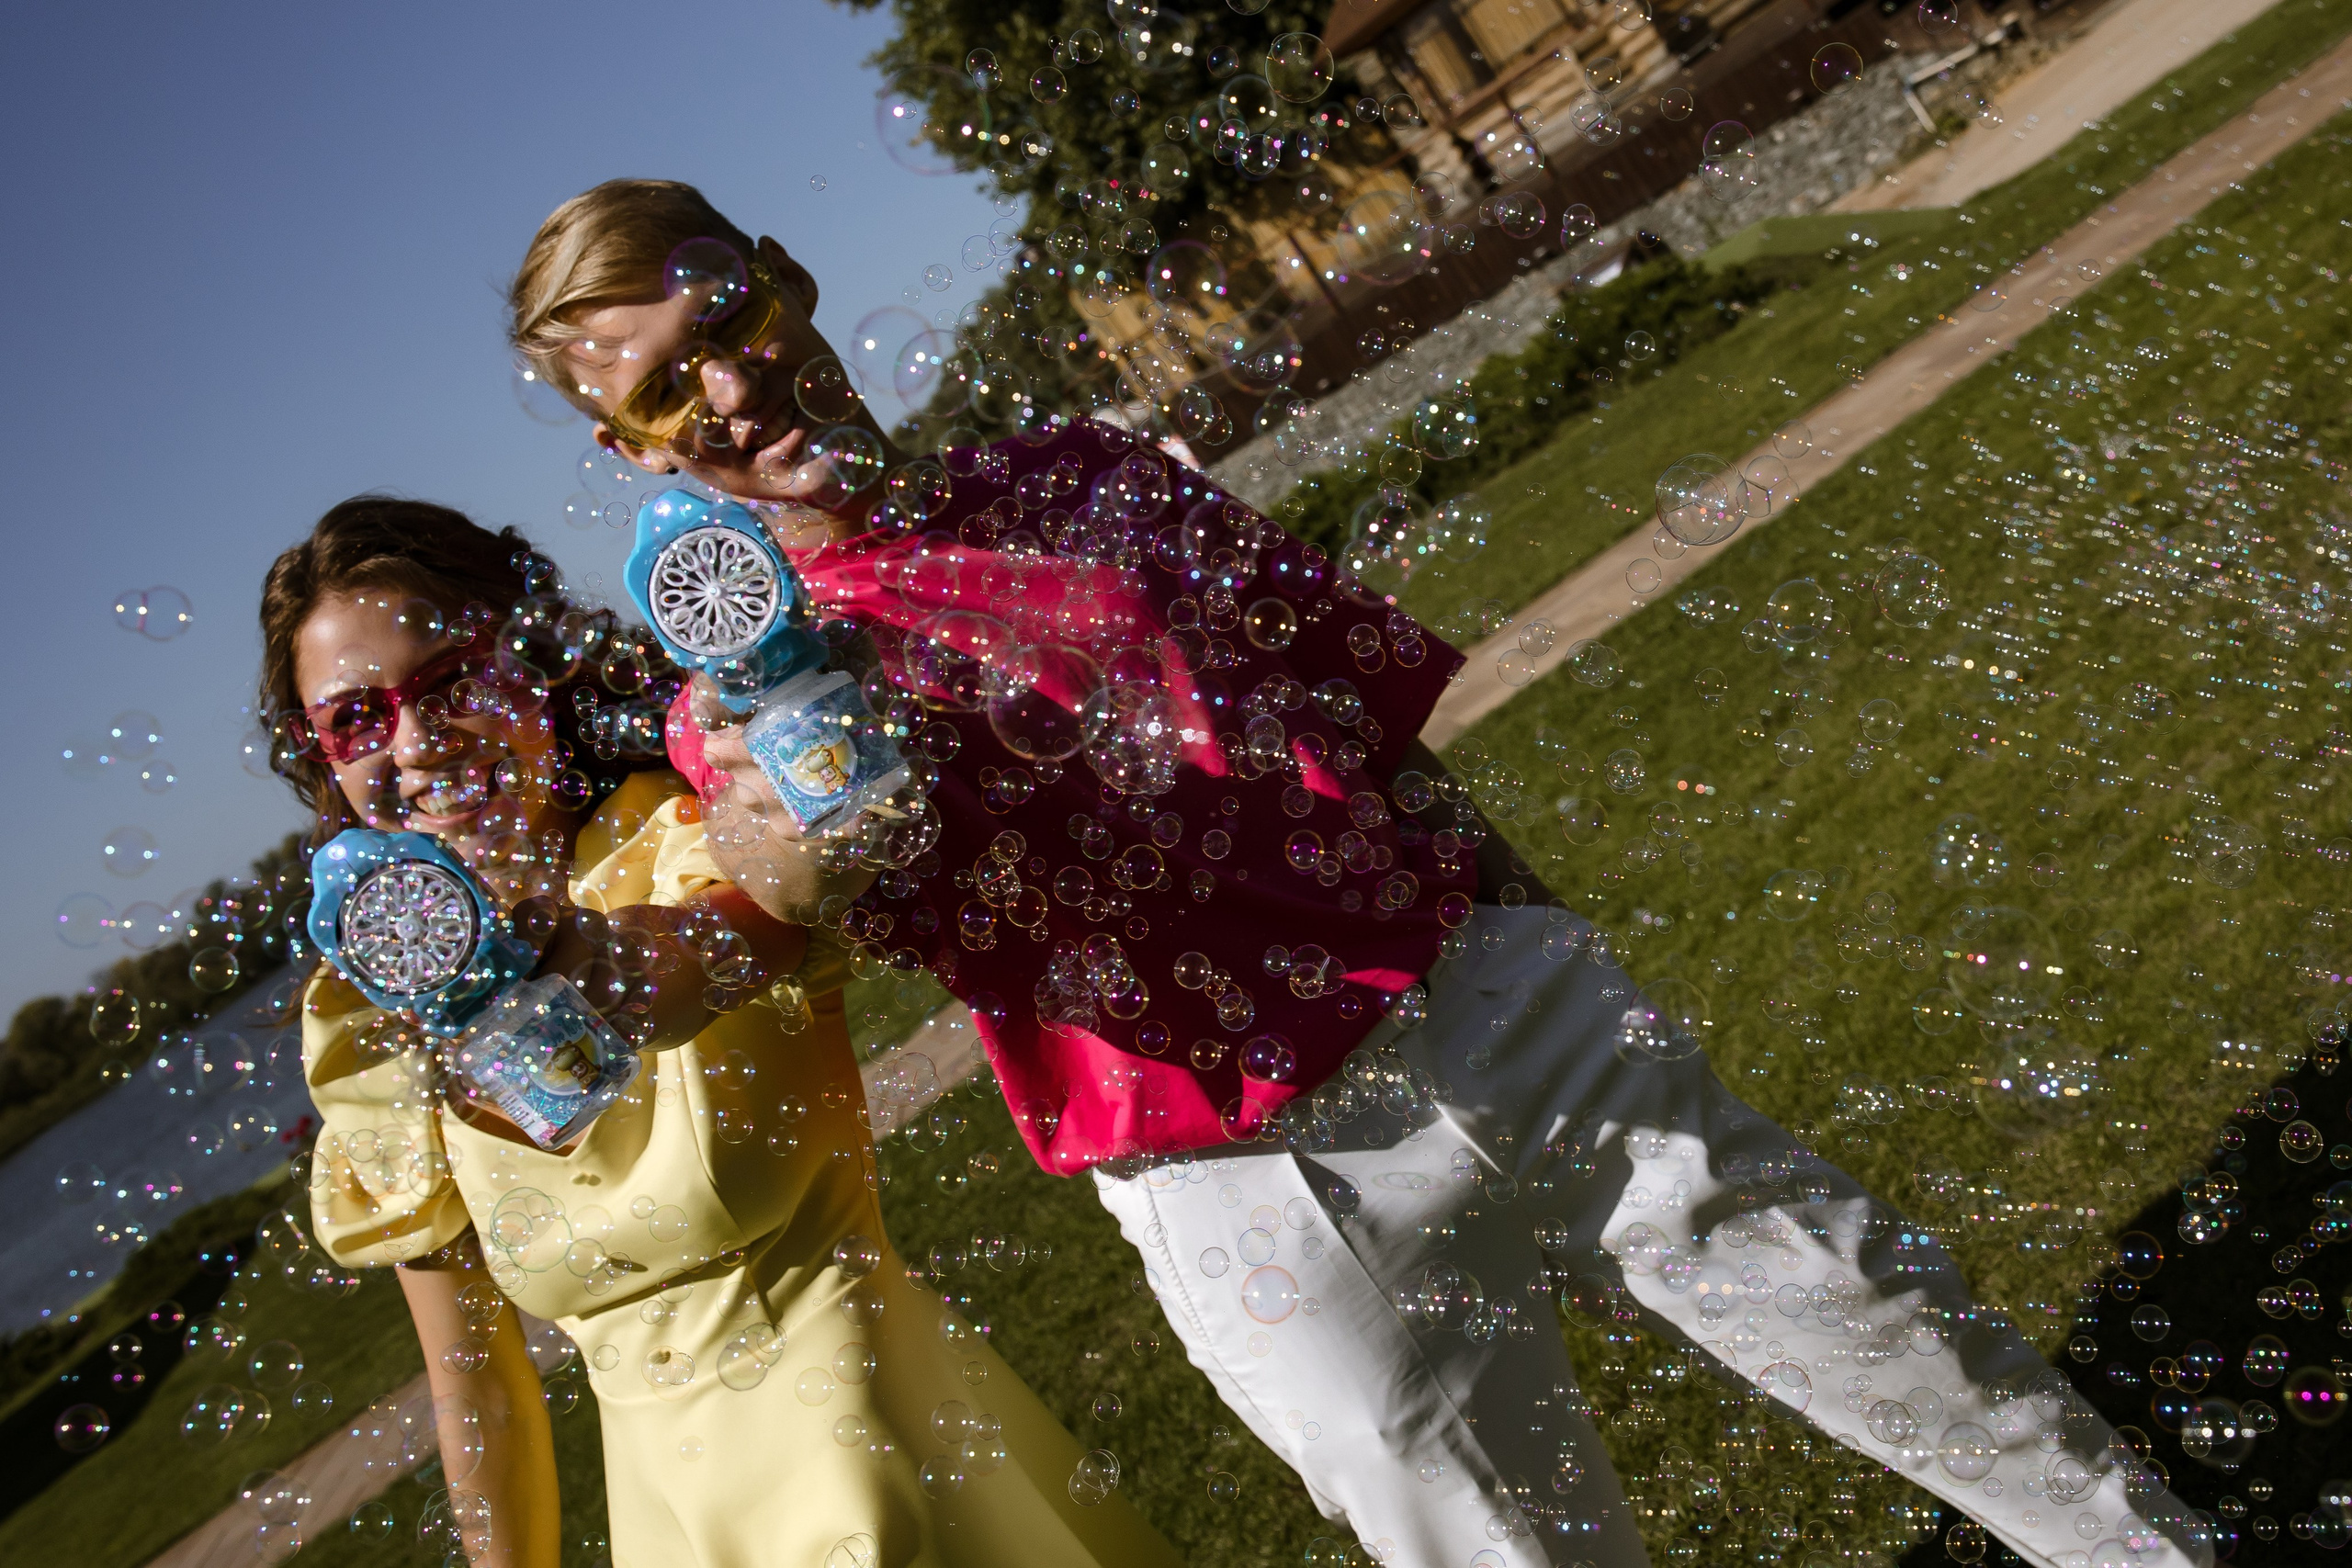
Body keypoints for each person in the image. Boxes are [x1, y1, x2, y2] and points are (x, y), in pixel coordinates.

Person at [504, 180, 2216, 1568]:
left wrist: (1539, 928)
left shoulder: (1083, 478)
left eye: (729, 320)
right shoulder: (743, 706)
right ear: (633, 450)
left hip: (1489, 1001)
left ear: (788, 281)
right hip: (1251, 1185)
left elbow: (1365, 730)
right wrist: (792, 763)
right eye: (664, 385)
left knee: (1893, 1330)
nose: (727, 387)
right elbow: (780, 865)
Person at [264, 497, 1180, 1568]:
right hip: (678, 1533)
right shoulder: (370, 1025)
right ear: (320, 755)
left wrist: (586, 953)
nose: (417, 740)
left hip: (887, 1469)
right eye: (359, 718)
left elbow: (735, 927)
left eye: (450, 680)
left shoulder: (699, 837)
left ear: (534, 659)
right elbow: (477, 1391)